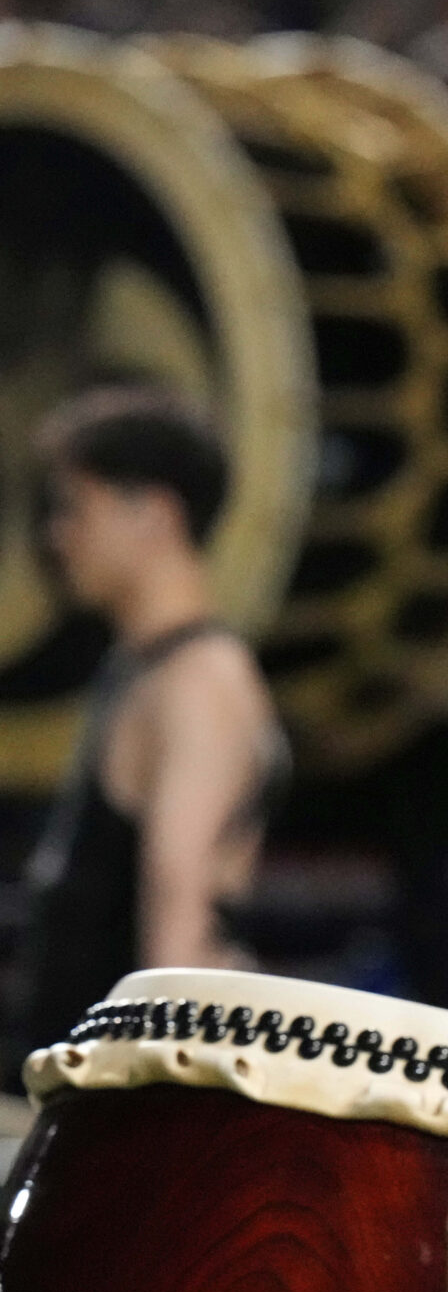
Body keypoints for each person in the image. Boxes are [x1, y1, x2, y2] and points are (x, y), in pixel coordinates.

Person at [6, 387, 287, 1086]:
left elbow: (177, 951)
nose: (58, 535)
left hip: (106, 1124)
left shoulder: (200, 686)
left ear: (154, 514)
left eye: (77, 507)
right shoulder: (141, 669)